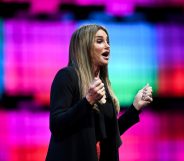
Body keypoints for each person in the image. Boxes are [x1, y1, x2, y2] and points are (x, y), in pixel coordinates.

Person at [45, 24, 153, 161]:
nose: (107, 46)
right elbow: (56, 126)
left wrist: (135, 108)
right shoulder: (67, 76)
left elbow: (108, 134)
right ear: (85, 47)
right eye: (100, 41)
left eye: (108, 41)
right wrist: (87, 101)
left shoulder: (102, 86)